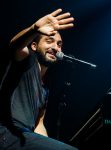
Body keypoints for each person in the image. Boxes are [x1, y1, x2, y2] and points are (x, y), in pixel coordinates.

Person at [0, 8, 78, 150]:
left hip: (25, 138)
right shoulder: (27, 60)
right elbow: (15, 45)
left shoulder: (45, 88)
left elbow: (39, 124)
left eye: (59, 44)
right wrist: (33, 29)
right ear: (34, 46)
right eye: (49, 41)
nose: (55, 47)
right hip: (7, 133)